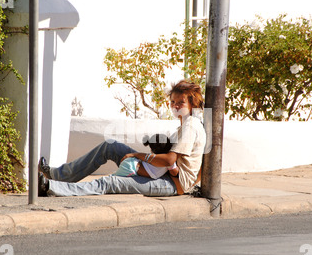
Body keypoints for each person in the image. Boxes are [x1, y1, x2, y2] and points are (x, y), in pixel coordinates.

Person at [38, 80, 206, 197]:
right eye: (173, 102)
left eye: (181, 102)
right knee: (109, 147)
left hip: (169, 183)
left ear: (192, 104)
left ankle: (51, 187)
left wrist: (137, 156)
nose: (175, 106)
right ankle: (58, 175)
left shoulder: (191, 125)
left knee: (110, 182)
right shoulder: (185, 125)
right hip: (161, 173)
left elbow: (169, 159)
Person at [114, 133, 179, 178]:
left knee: (115, 176)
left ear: (151, 149)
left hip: (131, 164)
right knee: (116, 178)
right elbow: (174, 173)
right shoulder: (166, 161)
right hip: (131, 168)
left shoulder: (154, 157)